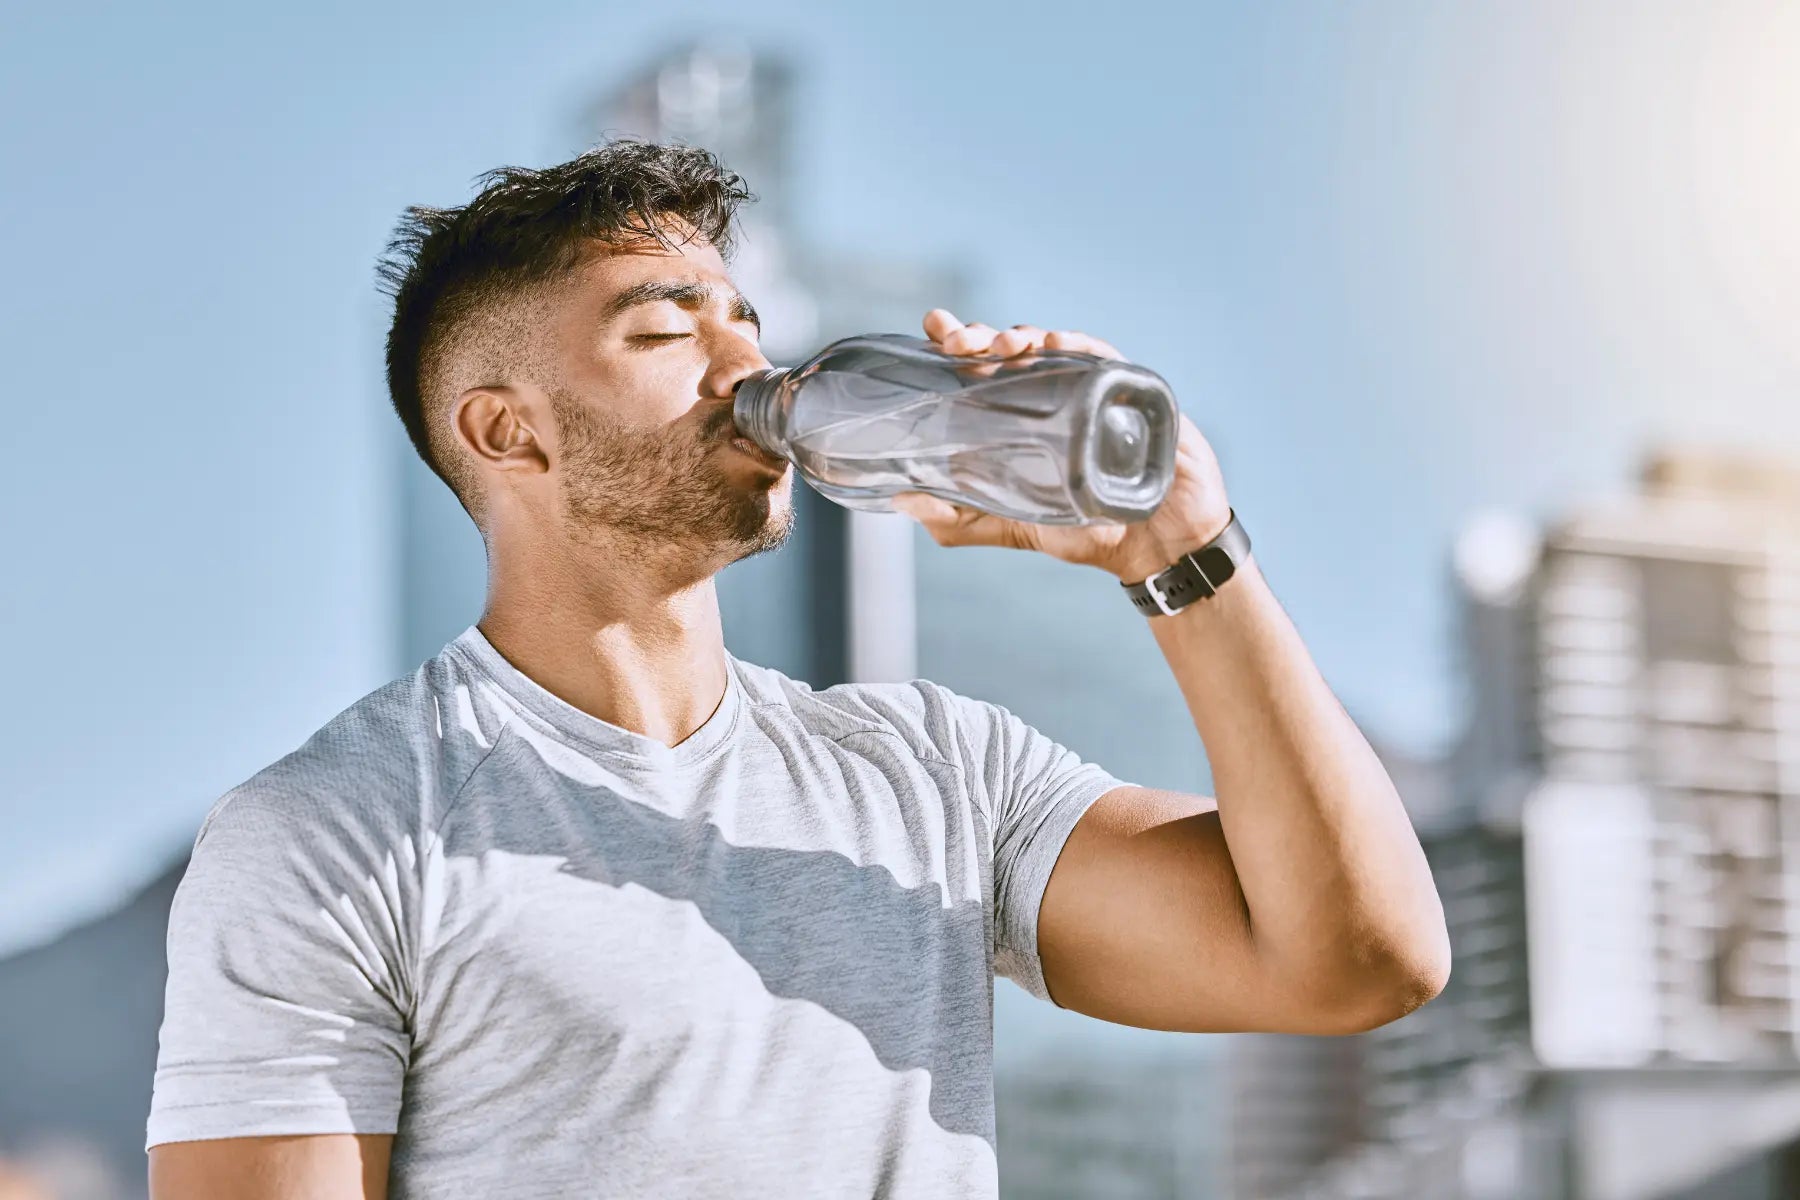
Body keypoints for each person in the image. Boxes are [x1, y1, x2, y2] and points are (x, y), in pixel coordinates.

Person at [146, 140, 1449, 1199]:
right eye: (667, 334)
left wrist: (1179, 543)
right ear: (508, 431)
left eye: (750, 325)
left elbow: (1356, 963)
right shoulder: (328, 837)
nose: (748, 371)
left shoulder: (934, 772)